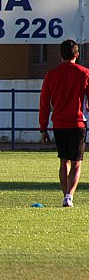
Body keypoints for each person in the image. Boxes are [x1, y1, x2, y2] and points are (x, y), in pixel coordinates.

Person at [39, 39, 89, 208]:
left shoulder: (51, 75)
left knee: (63, 161)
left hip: (59, 124)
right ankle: (69, 196)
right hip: (77, 123)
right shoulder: (84, 73)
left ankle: (65, 195)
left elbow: (44, 103)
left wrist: (43, 128)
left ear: (60, 55)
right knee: (77, 162)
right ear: (77, 54)